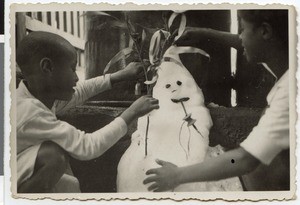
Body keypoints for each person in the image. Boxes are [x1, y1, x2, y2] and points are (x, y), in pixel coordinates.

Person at [143, 10, 289, 191]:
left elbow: (245, 159)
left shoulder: (288, 94)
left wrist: (177, 175)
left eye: (242, 29)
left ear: (265, 31)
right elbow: (250, 42)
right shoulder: (287, 57)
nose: (239, 36)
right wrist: (205, 34)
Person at [16, 31, 159, 193]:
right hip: (9, 182)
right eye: (72, 69)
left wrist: (119, 76)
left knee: (66, 174)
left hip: (19, 168)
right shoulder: (31, 112)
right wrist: (132, 112)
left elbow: (80, 91)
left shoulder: (40, 95)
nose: (76, 78)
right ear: (47, 67)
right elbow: (87, 147)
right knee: (55, 156)